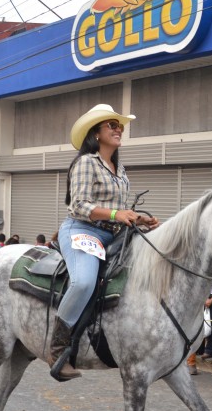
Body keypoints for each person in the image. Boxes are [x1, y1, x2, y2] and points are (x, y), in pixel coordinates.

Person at [56, 104, 159, 381]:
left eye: (119, 126)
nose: (118, 129)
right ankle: (58, 347)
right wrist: (117, 214)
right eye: (111, 125)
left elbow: (120, 211)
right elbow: (78, 205)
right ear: (96, 133)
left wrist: (138, 219)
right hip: (83, 230)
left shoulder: (120, 168)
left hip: (115, 235)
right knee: (84, 282)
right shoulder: (86, 162)